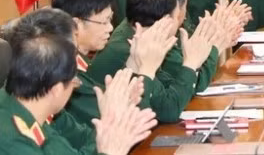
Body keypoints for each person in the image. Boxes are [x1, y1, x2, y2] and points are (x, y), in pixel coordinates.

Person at [0, 27, 156, 154]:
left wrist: (110, 121)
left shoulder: (28, 108)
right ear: (56, 89)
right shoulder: (13, 139)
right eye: (74, 82)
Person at [87, 0, 216, 123]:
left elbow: (166, 99)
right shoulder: (129, 48)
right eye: (177, 16)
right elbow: (168, 111)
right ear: (165, 21)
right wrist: (191, 63)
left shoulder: (143, 41)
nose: (180, 21)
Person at [50, 0, 173, 125]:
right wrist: (147, 71)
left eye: (111, 19)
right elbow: (129, 125)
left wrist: (134, 63)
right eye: (104, 21)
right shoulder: (66, 75)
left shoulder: (80, 60)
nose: (110, 28)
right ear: (76, 25)